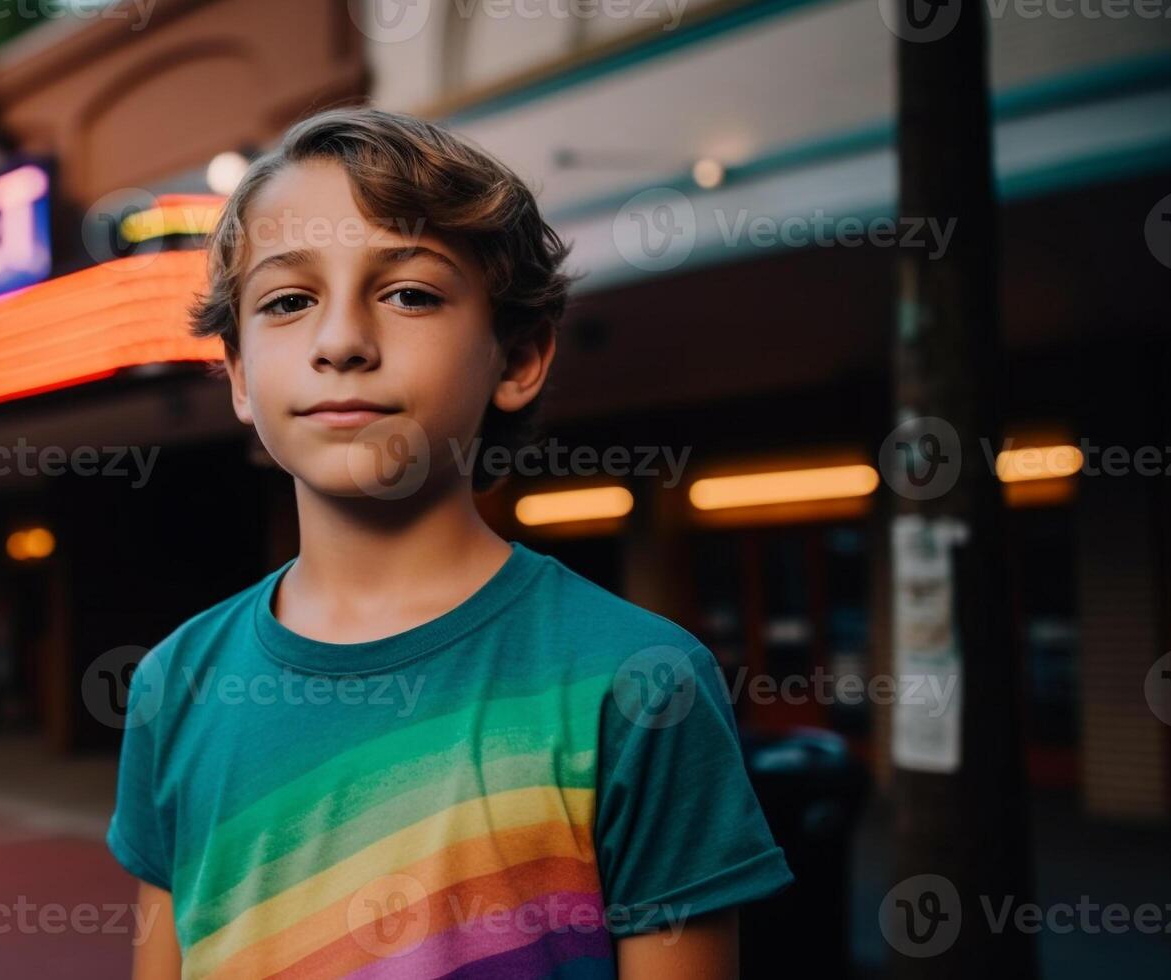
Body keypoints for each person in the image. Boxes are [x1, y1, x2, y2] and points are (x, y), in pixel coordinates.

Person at [107, 107, 791, 979]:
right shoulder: (177, 679)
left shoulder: (638, 681)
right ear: (239, 376)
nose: (343, 342)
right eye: (287, 301)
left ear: (516, 360)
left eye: (409, 294)